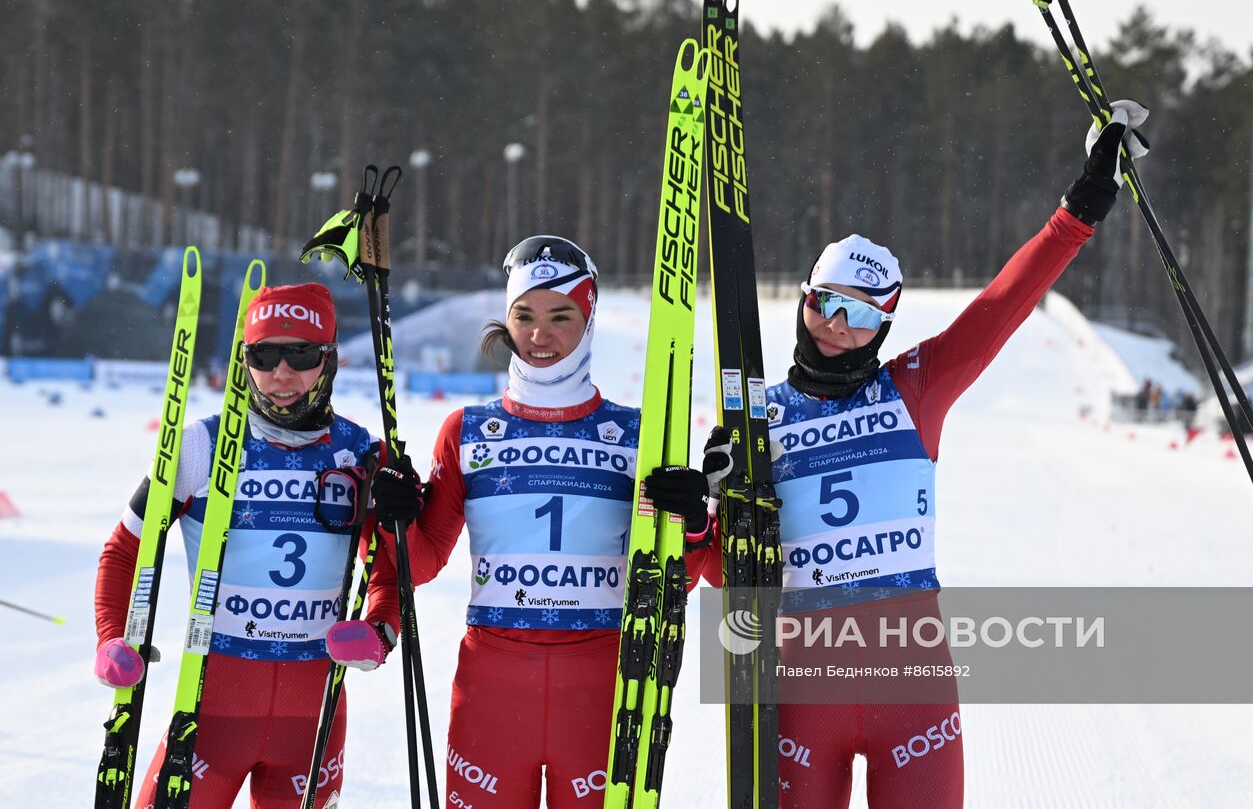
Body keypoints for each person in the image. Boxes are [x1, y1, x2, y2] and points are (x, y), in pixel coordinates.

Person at [693, 108, 1146, 808]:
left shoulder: (916, 386)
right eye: (825, 305)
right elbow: (733, 578)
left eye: (863, 315)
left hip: (914, 685)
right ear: (804, 300)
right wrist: (706, 514)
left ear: (887, 324)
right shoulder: (758, 419)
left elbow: (1002, 305)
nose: (838, 328)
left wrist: (1079, 210)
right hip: (804, 686)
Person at [324, 236, 724, 809]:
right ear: (506, 321)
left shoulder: (639, 434)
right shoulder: (468, 431)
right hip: (492, 679)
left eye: (562, 316)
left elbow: (681, 578)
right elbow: (426, 559)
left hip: (603, 677)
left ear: (589, 320)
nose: (541, 335)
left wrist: (690, 523)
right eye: (525, 316)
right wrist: (396, 518)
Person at [93, 283, 382, 808]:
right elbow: (124, 550)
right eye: (264, 355)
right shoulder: (201, 446)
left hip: (313, 717)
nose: (282, 374)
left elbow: (391, 563)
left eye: (302, 354)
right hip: (211, 710)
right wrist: (114, 636)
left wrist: (381, 624)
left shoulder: (359, 452)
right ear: (243, 359)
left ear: (330, 359)